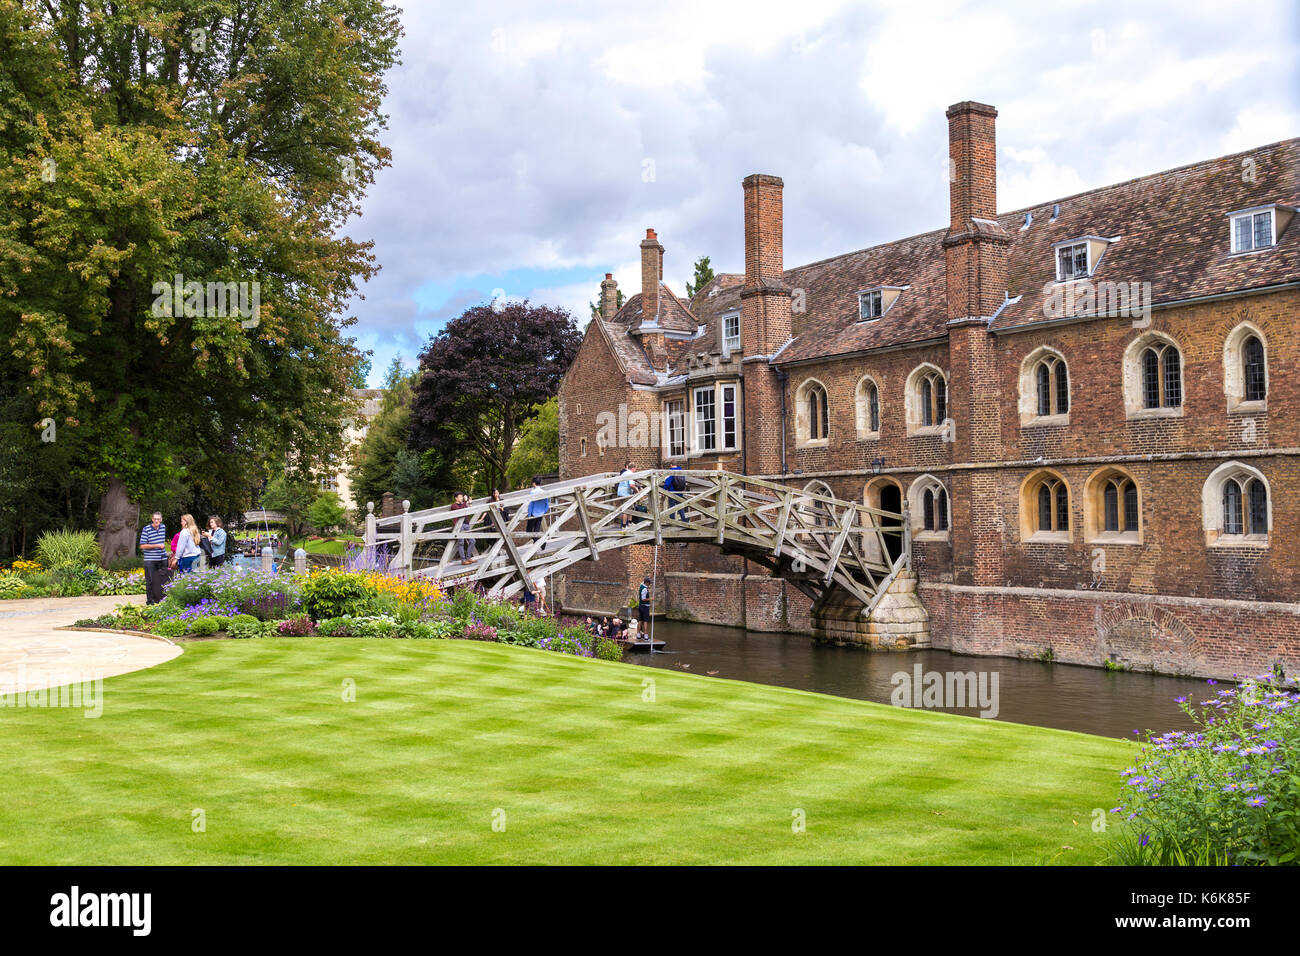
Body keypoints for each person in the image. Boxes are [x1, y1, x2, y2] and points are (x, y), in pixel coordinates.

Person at [139, 512, 168, 604]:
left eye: (158, 519)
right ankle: (150, 601)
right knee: (150, 581)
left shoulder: (163, 527)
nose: (156, 521)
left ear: (161, 520)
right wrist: (157, 545)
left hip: (162, 558)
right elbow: (142, 546)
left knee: (163, 580)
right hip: (150, 560)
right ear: (152, 519)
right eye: (155, 519)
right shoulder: (146, 529)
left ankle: (161, 599)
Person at [451, 492, 477, 565]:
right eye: (460, 497)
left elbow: (470, 510)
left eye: (462, 497)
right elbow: (461, 511)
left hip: (466, 524)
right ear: (456, 498)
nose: (461, 498)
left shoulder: (464, 504)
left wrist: (469, 503)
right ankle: (463, 560)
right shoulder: (454, 506)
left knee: (472, 541)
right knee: (461, 543)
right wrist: (465, 502)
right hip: (459, 526)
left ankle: (468, 557)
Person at [525, 478, 549, 543]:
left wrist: (529, 515)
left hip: (533, 514)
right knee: (536, 531)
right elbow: (547, 504)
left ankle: (540, 542)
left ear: (534, 483)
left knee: (528, 531)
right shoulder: (544, 492)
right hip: (541, 513)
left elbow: (531, 504)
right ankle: (540, 543)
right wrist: (544, 511)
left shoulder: (532, 492)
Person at [616, 463, 638, 529]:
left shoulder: (624, 473)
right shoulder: (630, 474)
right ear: (633, 468)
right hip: (625, 493)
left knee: (627, 509)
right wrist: (637, 491)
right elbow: (631, 485)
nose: (635, 470)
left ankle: (629, 523)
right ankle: (624, 526)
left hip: (620, 492)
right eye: (635, 469)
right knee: (626, 510)